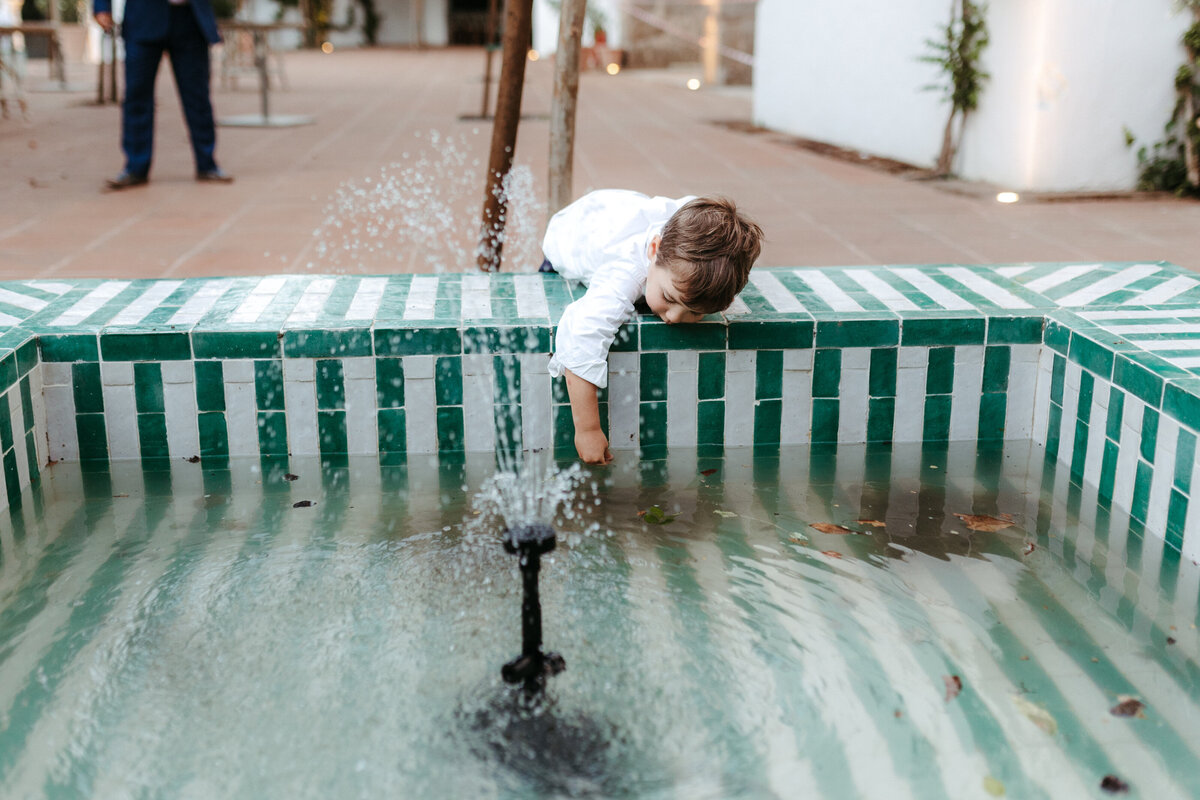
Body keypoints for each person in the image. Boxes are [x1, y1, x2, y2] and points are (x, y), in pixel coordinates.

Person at [544, 190, 763, 464]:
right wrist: (588, 429)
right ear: (654, 250)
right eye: (670, 299)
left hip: (624, 210)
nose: (673, 317)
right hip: (571, 232)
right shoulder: (625, 273)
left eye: (694, 312)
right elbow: (580, 334)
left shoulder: (680, 245)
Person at [93, 0, 233, 190]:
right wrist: (102, 7)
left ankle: (207, 163)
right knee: (136, 96)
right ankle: (135, 167)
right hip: (143, 18)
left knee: (198, 97)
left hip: (190, 19)